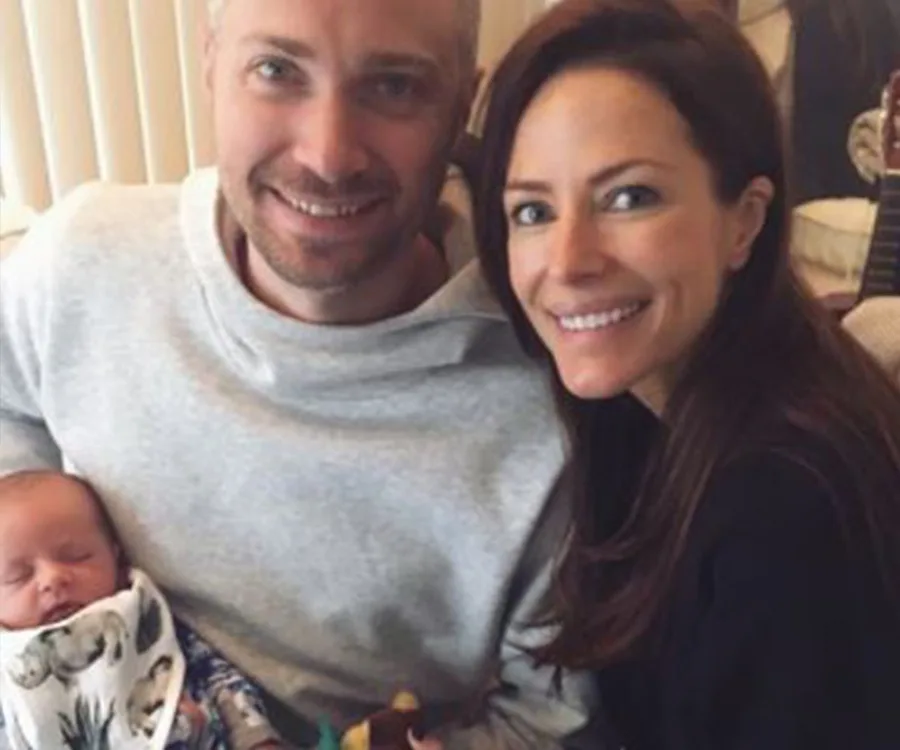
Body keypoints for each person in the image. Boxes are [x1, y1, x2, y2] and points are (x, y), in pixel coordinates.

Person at [0, 0, 596, 747]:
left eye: (395, 85)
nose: (327, 155)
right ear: (211, 63)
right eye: (277, 70)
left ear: (460, 107)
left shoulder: (553, 391)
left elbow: (547, 718)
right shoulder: (78, 262)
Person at [472, 0, 900, 748]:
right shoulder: (644, 413)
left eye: (629, 197)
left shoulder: (787, 513)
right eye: (533, 212)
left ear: (745, 221)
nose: (568, 262)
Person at [0, 470, 283, 750]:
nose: (52, 578)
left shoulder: (145, 619)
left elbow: (218, 678)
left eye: (76, 557)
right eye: (18, 576)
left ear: (115, 556)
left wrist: (256, 739)